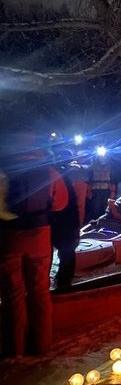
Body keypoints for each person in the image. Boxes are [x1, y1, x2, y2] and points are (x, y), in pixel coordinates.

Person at [0, 132, 68, 358]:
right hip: (39, 236)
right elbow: (60, 204)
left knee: (12, 295)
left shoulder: (3, 171)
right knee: (39, 292)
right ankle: (41, 346)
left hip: (8, 239)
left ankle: (14, 349)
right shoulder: (49, 172)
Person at [50, 150, 89, 292]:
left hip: (58, 218)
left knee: (64, 251)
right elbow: (79, 201)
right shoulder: (72, 173)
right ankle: (63, 282)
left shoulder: (61, 172)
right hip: (65, 218)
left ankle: (63, 283)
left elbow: (78, 200)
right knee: (66, 250)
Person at [87, 153, 115, 220]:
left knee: (106, 207)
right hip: (95, 190)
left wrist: (112, 191)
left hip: (106, 189)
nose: (102, 158)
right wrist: (88, 191)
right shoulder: (92, 167)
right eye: (100, 157)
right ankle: (95, 222)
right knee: (95, 207)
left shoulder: (110, 167)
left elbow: (113, 180)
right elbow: (89, 179)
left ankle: (104, 221)